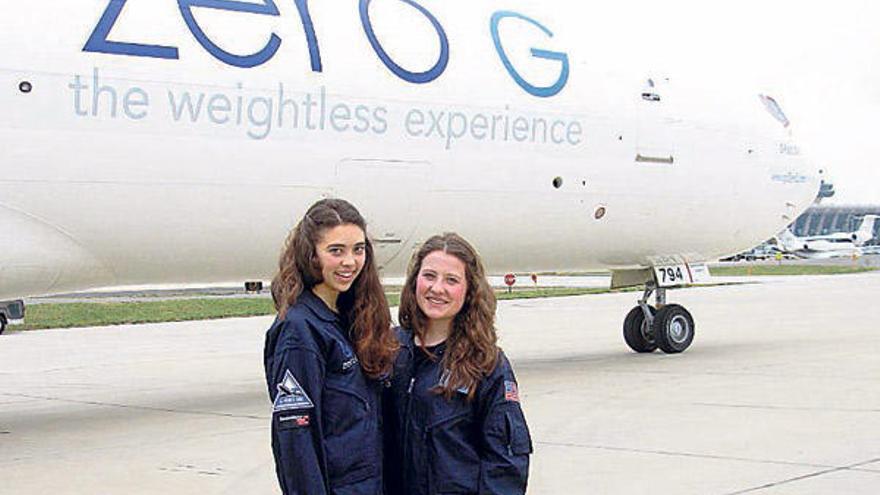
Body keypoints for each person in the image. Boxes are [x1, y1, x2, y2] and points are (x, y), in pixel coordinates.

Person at [264, 198, 397, 495]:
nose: (350, 262)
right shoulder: (299, 330)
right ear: (311, 255)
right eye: (336, 251)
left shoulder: (350, 318)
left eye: (358, 250)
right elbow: (296, 441)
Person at [384, 233, 532, 495]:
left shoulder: (486, 363)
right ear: (415, 280)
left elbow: (505, 463)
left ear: (468, 290)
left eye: (451, 280)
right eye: (429, 276)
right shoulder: (389, 350)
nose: (437, 288)